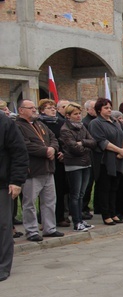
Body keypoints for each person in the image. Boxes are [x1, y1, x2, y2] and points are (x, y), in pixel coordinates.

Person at [15, 100, 63, 241]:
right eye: (30, 108)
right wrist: (45, 150)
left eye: (34, 108)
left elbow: (53, 138)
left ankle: (49, 228)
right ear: (21, 110)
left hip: (48, 168)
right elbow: (24, 145)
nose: (34, 110)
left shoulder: (40, 124)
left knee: (49, 201)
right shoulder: (17, 126)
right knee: (29, 202)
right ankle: (31, 230)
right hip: (32, 170)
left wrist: (53, 148)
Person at [88, 98, 123, 226]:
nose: (109, 110)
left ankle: (113, 212)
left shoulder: (116, 122)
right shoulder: (96, 123)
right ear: (99, 110)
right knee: (105, 188)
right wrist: (119, 150)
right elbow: (102, 141)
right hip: (105, 161)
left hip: (118, 160)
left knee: (114, 188)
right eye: (106, 108)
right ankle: (106, 215)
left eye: (110, 107)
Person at [59, 103, 96, 232]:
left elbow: (93, 142)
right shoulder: (65, 130)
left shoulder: (82, 127)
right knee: (75, 194)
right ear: (68, 116)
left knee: (81, 193)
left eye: (79, 113)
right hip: (74, 164)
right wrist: (85, 146)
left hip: (86, 162)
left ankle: (81, 219)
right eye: (75, 114)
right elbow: (74, 148)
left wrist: (83, 143)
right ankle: (76, 221)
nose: (78, 116)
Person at [0, 109, 28, 280]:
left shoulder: (5, 123)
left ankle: (3, 265)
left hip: (2, 184)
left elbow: (19, 152)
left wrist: (16, 181)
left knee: (3, 225)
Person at [38, 99, 69, 227]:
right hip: (46, 159)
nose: (52, 110)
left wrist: (63, 152)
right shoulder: (39, 123)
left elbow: (65, 139)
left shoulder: (61, 123)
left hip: (60, 159)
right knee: (45, 193)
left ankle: (60, 216)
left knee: (60, 189)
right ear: (42, 110)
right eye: (49, 107)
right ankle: (44, 219)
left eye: (53, 108)